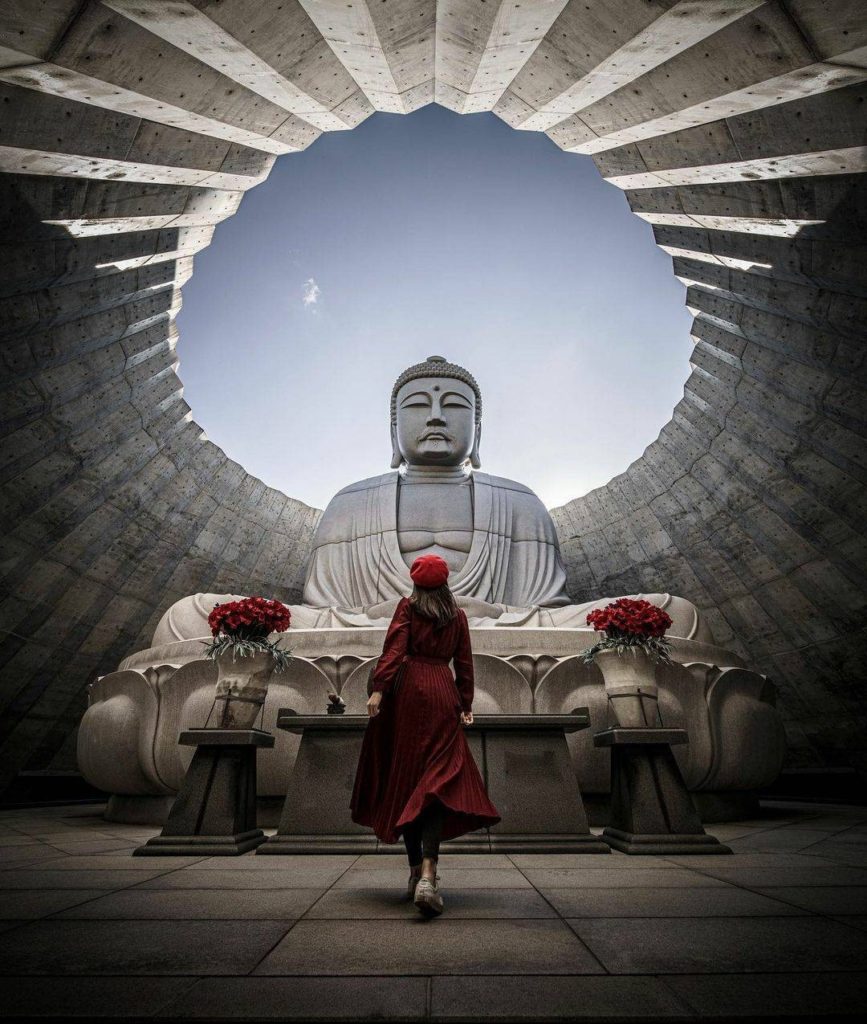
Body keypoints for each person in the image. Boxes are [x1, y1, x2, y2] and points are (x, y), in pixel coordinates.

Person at [349, 553, 501, 917]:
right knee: (435, 783)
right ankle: (429, 874)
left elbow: (394, 649)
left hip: (408, 696)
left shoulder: (407, 608)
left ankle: (416, 869)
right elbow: (464, 663)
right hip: (442, 695)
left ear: (415, 583)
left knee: (409, 782)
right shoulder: (458, 616)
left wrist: (378, 689)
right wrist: (465, 702)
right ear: (447, 583)